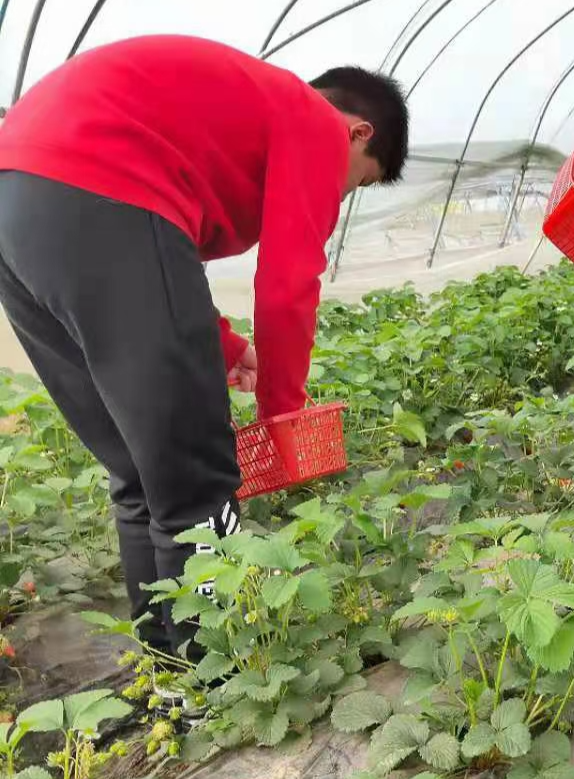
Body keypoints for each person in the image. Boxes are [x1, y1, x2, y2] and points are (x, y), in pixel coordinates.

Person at [0, 35, 409, 658]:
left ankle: (168, 668)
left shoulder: (233, 110)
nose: (339, 195)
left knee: (141, 471)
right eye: (357, 184)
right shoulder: (314, 122)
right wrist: (282, 413)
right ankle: (215, 678)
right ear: (357, 133)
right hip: (104, 189)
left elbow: (154, 259)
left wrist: (223, 347)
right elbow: (288, 283)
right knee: (198, 481)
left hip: (18, 203)